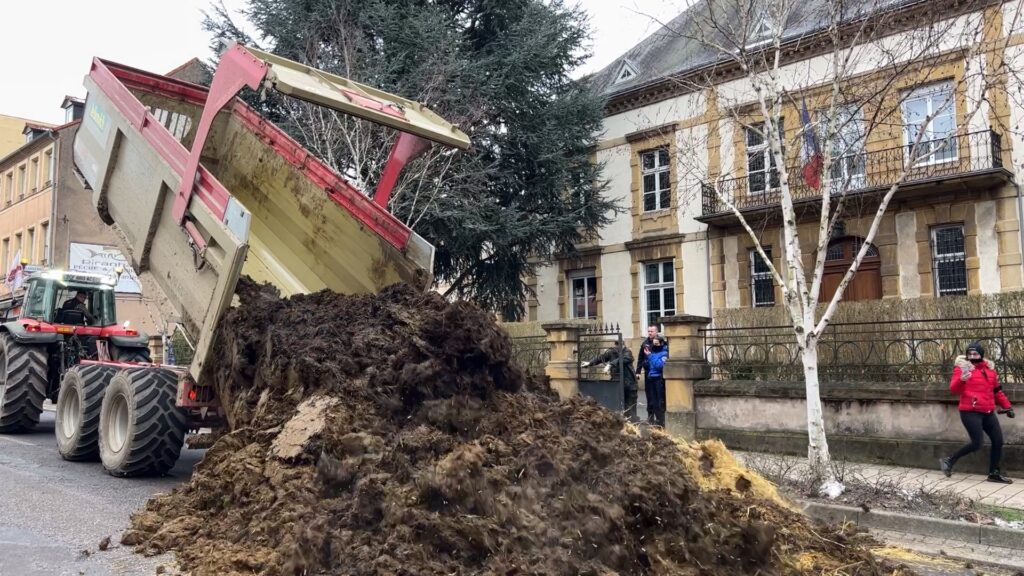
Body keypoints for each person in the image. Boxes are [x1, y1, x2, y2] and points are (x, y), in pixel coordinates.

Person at [940, 342, 1015, 484]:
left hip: (987, 411)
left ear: (982, 354)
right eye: (970, 354)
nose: (972, 356)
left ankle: (994, 473)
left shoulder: (990, 370)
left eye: (975, 354)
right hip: (970, 411)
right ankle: (949, 461)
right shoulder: (962, 368)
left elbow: (997, 391)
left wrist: (1007, 407)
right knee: (977, 443)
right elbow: (954, 389)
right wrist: (962, 380)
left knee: (998, 441)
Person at [581, 341, 639, 422]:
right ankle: (620, 422)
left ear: (623, 346)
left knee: (630, 405)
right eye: (616, 347)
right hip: (617, 381)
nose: (617, 349)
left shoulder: (627, 352)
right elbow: (601, 358)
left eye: (618, 347)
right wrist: (590, 363)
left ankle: (632, 423)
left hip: (629, 383)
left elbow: (625, 359)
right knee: (617, 404)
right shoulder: (612, 352)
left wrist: (610, 364)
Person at [644, 335, 669, 428]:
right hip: (651, 378)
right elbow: (649, 365)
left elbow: (659, 366)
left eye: (656, 344)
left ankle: (662, 423)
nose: (654, 345)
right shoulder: (653, 352)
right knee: (653, 402)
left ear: (661, 343)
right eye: (653, 344)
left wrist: (650, 356)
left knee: (660, 402)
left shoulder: (665, 353)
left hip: (659, 379)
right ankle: (658, 422)